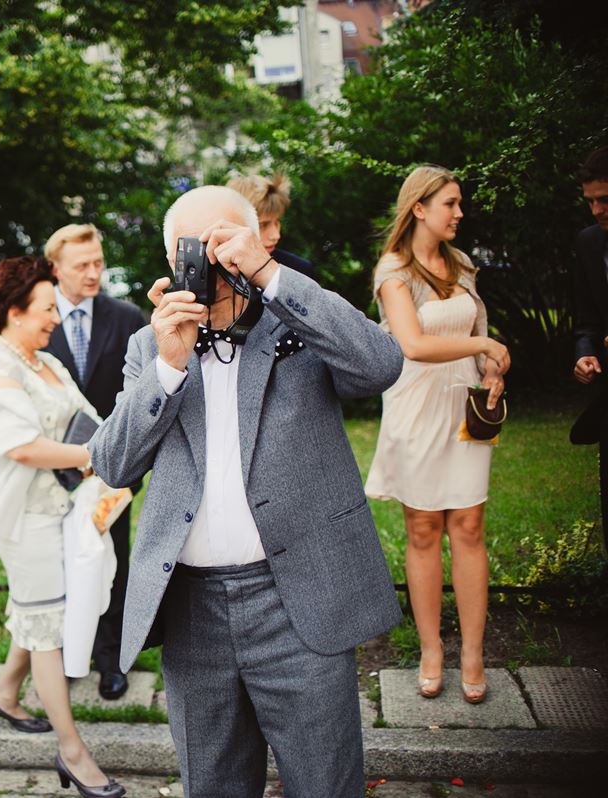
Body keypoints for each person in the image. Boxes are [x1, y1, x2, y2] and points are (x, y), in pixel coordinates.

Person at [91, 186, 403, 797]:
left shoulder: (298, 320)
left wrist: (269, 274)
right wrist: (169, 367)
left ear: (255, 238)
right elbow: (113, 463)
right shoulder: (150, 346)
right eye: (195, 246)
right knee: (213, 787)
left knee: (326, 785)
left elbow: (380, 365)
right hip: (192, 614)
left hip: (299, 600)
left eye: (224, 241)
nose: (212, 260)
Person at [0, 256, 124, 798]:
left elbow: (93, 421)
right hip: (24, 519)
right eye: (46, 310)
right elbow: (23, 446)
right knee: (48, 628)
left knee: (40, 613)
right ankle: (73, 752)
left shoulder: (46, 364)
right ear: (13, 312)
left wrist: (115, 451)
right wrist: (91, 456)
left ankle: (4, 695)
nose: (56, 318)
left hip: (64, 512)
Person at [365, 165, 511, 706]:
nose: (459, 212)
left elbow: (480, 334)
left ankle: (473, 653)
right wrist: (483, 350)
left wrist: (494, 367)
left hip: (464, 406)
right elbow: (413, 343)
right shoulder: (393, 271)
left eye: (459, 203)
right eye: (450, 203)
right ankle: (432, 650)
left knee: (469, 524)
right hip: (417, 408)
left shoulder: (464, 266)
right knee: (424, 530)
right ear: (419, 209)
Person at [40, 223, 146, 700]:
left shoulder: (126, 317)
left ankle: (112, 657)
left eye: (98, 262)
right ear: (55, 268)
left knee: (112, 560)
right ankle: (65, 652)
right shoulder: (36, 319)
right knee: (58, 560)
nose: (92, 272)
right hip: (50, 468)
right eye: (81, 265)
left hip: (111, 468)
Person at [570, 146, 608, 541]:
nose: (597, 210)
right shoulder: (588, 243)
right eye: (590, 201)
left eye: (605, 200)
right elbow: (587, 323)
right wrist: (585, 355)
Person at [226, 173, 315, 278]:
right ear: (234, 222)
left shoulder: (298, 271)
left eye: (277, 221)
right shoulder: (209, 269)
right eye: (263, 225)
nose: (276, 235)